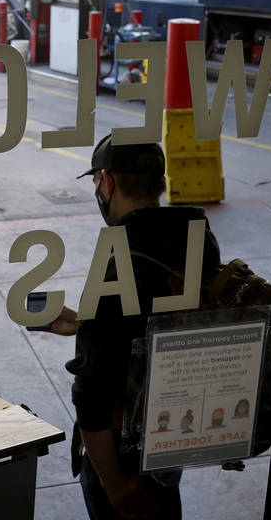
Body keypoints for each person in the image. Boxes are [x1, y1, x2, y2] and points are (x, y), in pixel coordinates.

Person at [63, 133, 222, 520]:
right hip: (173, 432)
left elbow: (91, 393)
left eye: (98, 183)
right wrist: (89, 321)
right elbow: (161, 320)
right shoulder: (199, 238)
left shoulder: (119, 256)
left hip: (124, 450)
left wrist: (114, 484)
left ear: (108, 182)